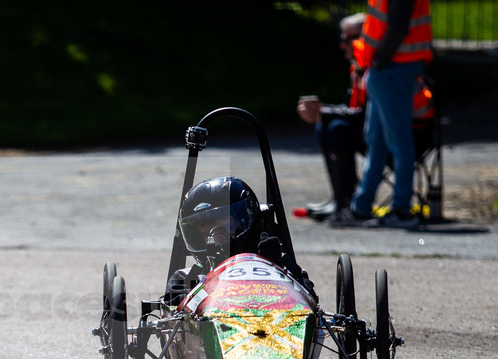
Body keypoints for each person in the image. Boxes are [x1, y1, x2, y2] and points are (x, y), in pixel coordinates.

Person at [328, 0, 433, 229]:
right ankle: (361, 207)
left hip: (393, 67)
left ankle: (402, 210)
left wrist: (380, 60)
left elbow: (398, 26)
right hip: (389, 67)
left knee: (398, 141)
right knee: (376, 140)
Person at [164, 176, 308, 305]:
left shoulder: (285, 269)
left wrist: (274, 269)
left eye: (225, 225)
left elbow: (309, 301)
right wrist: (212, 280)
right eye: (207, 230)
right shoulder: (186, 279)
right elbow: (174, 308)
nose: (217, 238)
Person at [297, 13, 368, 220]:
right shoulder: (358, 67)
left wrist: (323, 111)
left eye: (347, 39)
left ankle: (346, 201)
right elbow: (352, 108)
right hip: (366, 129)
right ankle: (339, 198)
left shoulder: (374, 67)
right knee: (326, 125)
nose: (342, 45)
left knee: (338, 128)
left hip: (386, 136)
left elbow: (366, 114)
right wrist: (321, 112)